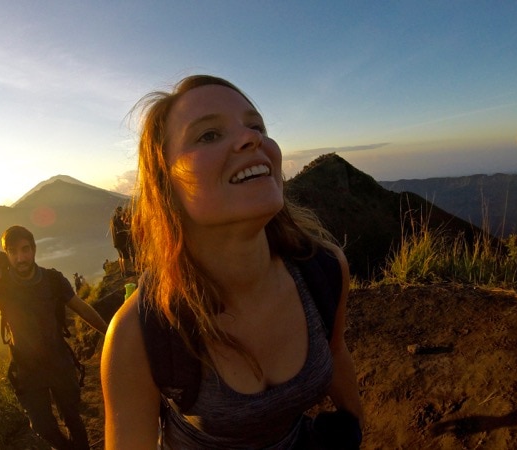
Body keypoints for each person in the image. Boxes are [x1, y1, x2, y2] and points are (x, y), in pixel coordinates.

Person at [101, 75, 363, 449]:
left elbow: (336, 353)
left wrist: (353, 428)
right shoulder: (138, 333)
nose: (251, 138)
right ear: (167, 185)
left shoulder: (323, 268)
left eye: (256, 126)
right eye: (208, 135)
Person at [0, 225, 109, 450]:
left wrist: (110, 332)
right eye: (13, 252)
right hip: (26, 368)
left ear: (34, 250)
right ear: (6, 254)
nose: (20, 257)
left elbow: (81, 308)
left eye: (25, 250)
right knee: (42, 427)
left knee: (73, 418)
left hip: (59, 362)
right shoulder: (0, 285)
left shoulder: (53, 280)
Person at [109, 206, 131, 277]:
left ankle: (123, 272)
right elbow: (119, 231)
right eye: (121, 211)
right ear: (119, 211)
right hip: (121, 241)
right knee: (125, 256)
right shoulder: (118, 219)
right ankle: (126, 272)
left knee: (120, 256)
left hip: (116, 242)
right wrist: (128, 231)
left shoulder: (113, 219)